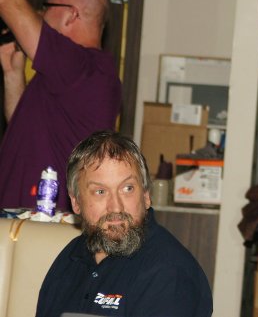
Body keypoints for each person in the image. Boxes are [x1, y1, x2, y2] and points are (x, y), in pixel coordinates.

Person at [36, 130, 213, 317]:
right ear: (76, 202)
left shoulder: (169, 271)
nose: (116, 207)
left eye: (127, 188)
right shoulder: (70, 258)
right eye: (100, 192)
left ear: (146, 195)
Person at [0, 0, 122, 211]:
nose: (41, 14)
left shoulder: (85, 68)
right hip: (21, 218)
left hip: (45, 223)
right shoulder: (61, 75)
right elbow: (26, 128)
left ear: (71, 15)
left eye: (47, 7)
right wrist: (12, 73)